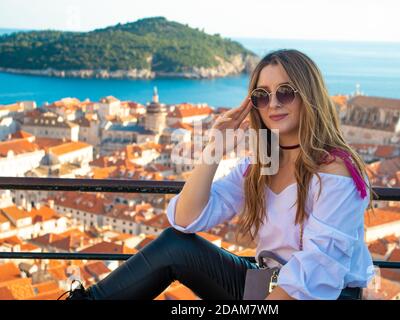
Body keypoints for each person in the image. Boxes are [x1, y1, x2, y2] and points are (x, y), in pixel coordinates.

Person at [63, 49, 376, 300]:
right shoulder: (261, 165)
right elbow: (185, 220)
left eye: (286, 92)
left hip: (326, 294)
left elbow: (318, 269)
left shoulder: (335, 171)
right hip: (268, 282)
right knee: (175, 245)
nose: (274, 104)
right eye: (262, 96)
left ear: (309, 96)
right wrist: (214, 149)